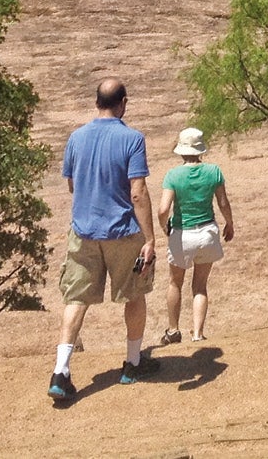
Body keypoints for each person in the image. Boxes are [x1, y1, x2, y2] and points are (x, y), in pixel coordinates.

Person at [48, 78, 158, 402]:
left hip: (83, 233)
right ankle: (132, 364)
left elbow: (72, 184)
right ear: (123, 102)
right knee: (134, 295)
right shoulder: (132, 139)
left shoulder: (76, 137)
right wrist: (150, 238)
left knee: (76, 299)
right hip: (123, 233)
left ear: (97, 102)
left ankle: (61, 371)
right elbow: (137, 192)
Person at [155, 127, 234, 344]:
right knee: (200, 285)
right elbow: (223, 203)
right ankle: (198, 333)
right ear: (201, 150)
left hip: (182, 234)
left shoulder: (173, 175)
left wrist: (165, 228)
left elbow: (163, 210)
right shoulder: (214, 171)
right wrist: (229, 223)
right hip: (207, 231)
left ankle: (173, 330)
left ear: (181, 150)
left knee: (174, 282)